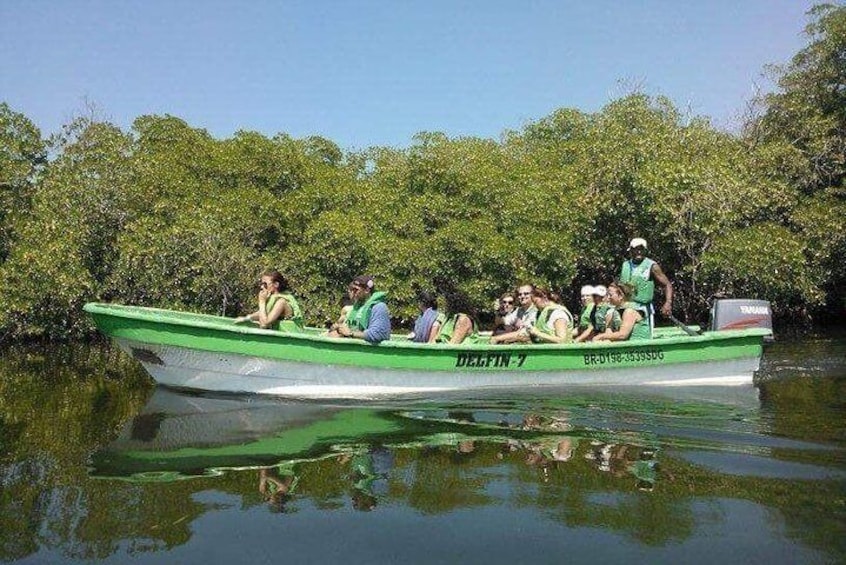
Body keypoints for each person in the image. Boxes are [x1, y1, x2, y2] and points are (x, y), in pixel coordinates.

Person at [620, 238, 673, 335]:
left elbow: (667, 284)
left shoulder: (652, 266)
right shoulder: (625, 265)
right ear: (631, 250)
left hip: (643, 310)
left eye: (641, 249)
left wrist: (668, 303)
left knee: (642, 336)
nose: (639, 252)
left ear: (645, 250)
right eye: (636, 249)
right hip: (626, 308)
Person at [329, 275, 391, 344]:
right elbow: (349, 327)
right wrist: (338, 328)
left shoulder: (379, 307)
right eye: (351, 289)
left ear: (367, 290)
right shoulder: (356, 307)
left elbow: (379, 334)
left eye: (356, 290)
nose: (352, 292)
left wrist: (351, 333)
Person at [235, 270, 303, 330]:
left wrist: (262, 302)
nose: (262, 287)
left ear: (276, 284)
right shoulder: (273, 298)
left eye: (265, 284)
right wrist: (248, 318)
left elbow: (264, 324)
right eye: (262, 284)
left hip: (289, 338)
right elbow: (263, 313)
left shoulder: (282, 301)